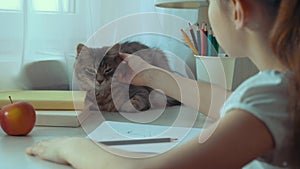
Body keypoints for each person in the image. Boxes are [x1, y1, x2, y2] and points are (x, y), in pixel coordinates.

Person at [26, 0, 300, 168]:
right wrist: (149, 76)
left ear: (238, 9)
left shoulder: (273, 94)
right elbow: (232, 102)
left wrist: (70, 147)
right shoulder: (282, 90)